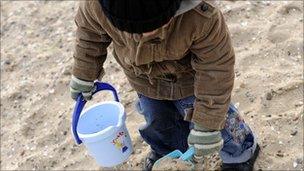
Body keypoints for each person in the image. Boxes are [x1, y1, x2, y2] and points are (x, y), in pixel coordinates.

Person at [69, 0, 260, 170]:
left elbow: (216, 70)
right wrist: (83, 74)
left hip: (191, 80)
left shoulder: (201, 16)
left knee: (221, 121)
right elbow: (89, 37)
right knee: (158, 121)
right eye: (134, 31)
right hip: (144, 80)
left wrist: (208, 124)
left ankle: (241, 152)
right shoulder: (95, 7)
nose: (146, 35)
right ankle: (168, 150)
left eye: (157, 26)